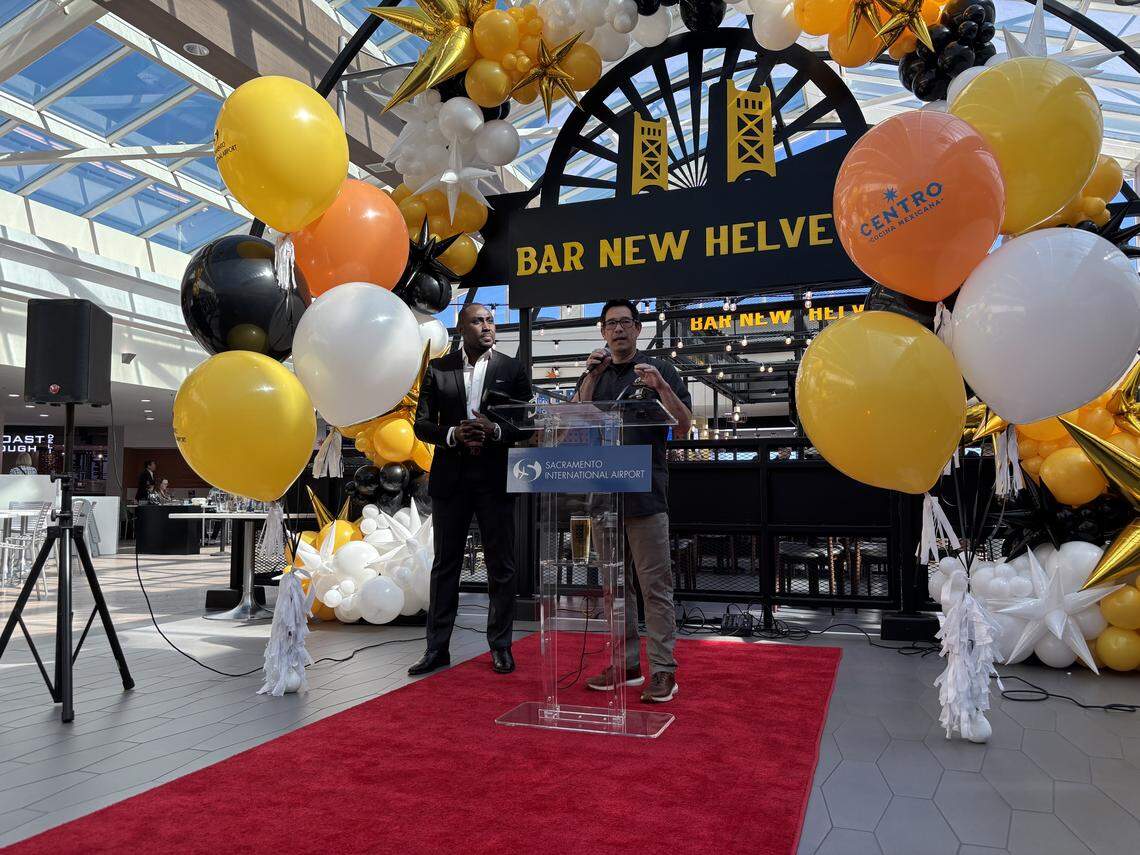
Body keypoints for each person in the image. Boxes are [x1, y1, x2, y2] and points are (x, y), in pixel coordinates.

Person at [576, 298, 692, 703]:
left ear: (638, 329)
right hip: (603, 496)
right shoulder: (597, 372)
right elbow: (575, 421)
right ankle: (625, 665)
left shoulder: (659, 371)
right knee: (613, 588)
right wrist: (590, 373)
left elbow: (683, 426)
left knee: (654, 587)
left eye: (626, 322)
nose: (619, 330)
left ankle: (663, 671)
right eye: (611, 324)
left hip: (645, 497)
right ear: (603, 331)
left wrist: (660, 387)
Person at [410, 303, 533, 676]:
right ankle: (437, 649)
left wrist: (495, 430)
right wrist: (451, 433)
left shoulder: (512, 369)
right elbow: (421, 424)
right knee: (445, 565)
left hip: (495, 478)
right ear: (461, 328)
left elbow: (526, 423)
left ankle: (501, 647)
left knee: (502, 566)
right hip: (452, 479)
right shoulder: (438, 369)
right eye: (478, 321)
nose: (487, 326)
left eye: (490, 321)